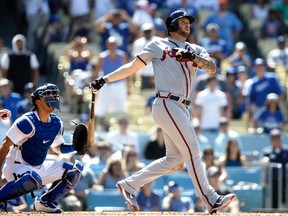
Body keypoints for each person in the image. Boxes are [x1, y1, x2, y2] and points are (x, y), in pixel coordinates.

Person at [89, 9, 235, 214]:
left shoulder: (196, 48)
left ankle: (130, 185)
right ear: (173, 25)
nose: (187, 24)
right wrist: (104, 79)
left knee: (175, 160)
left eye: (188, 22)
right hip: (166, 102)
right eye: (183, 21)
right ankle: (210, 198)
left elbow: (212, 68)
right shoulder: (158, 45)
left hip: (183, 107)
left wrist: (193, 56)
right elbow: (131, 67)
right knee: (193, 149)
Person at [0, 83, 83, 213]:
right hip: (14, 166)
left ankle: (45, 202)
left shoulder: (56, 123)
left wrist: (75, 147)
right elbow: (5, 145)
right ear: (38, 102)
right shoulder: (26, 121)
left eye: (55, 95)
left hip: (37, 168)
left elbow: (58, 148)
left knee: (74, 170)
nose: (54, 98)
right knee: (31, 178)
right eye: (48, 96)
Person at [93, 36, 129, 131]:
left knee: (121, 109)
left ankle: (120, 130)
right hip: (106, 85)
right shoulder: (102, 57)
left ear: (117, 45)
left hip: (119, 85)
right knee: (101, 108)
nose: (112, 46)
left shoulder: (122, 56)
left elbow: (127, 73)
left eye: (114, 44)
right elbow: (96, 72)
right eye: (110, 44)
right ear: (107, 45)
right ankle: (99, 129)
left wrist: (128, 88)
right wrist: (95, 86)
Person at [261, 128, 288, 208]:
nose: (275, 140)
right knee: (273, 199)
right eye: (273, 137)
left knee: (284, 199)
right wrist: (265, 161)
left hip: (285, 179)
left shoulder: (286, 151)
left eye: (277, 137)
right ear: (270, 139)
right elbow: (263, 163)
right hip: (271, 180)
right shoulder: (267, 152)